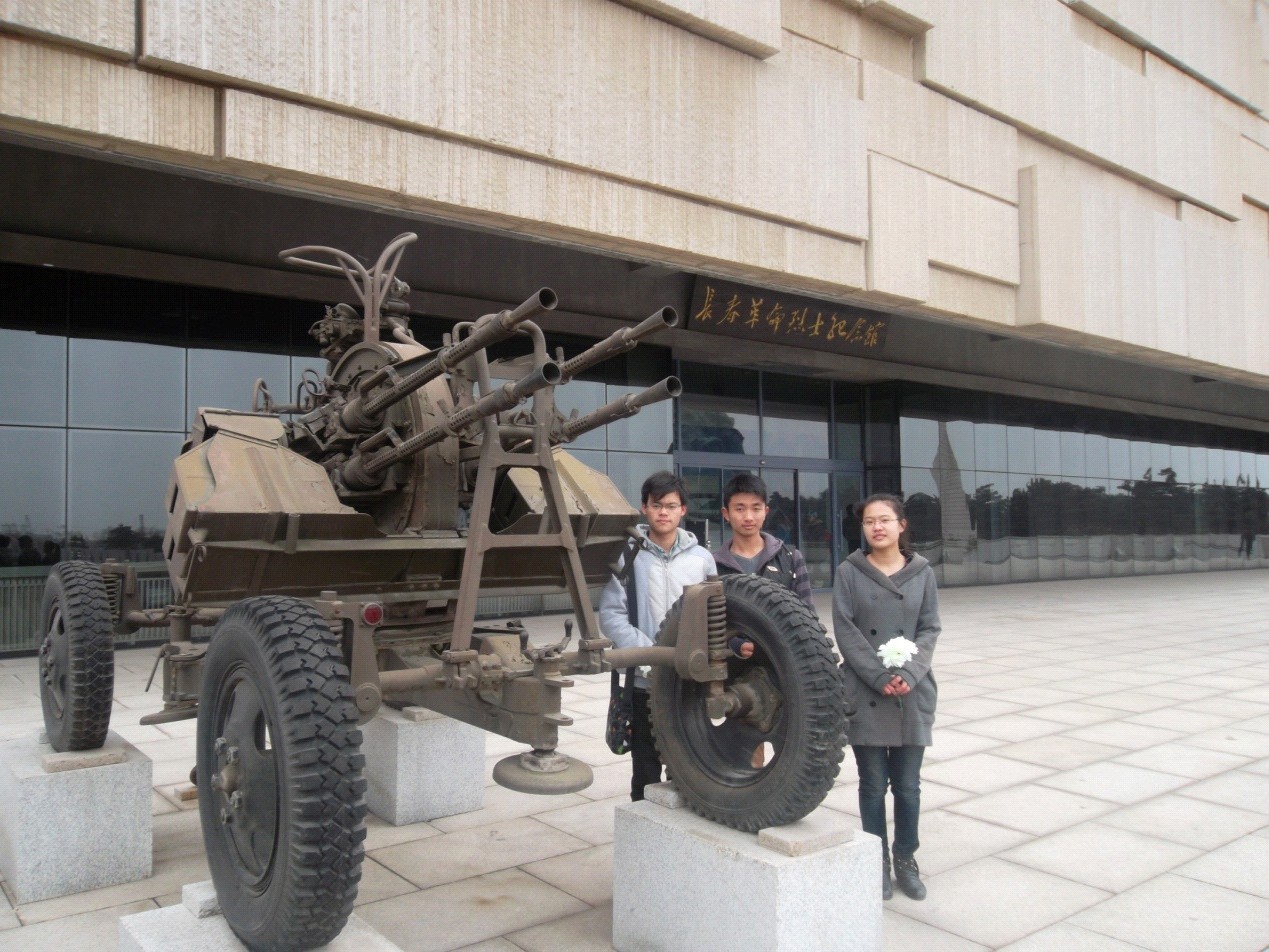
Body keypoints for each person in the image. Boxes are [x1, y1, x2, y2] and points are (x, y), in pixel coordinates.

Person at [833, 493, 940, 902]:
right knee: (873, 784)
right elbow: (845, 629)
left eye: (884, 520)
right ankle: (875, 859)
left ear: (901, 525)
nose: (876, 527)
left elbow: (930, 628)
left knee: (908, 786)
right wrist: (879, 676)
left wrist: (909, 672)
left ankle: (906, 858)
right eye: (868, 521)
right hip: (866, 689)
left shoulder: (922, 572)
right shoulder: (849, 571)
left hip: (912, 690)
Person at [598, 470, 716, 801]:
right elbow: (611, 614)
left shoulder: (702, 559)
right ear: (644, 508)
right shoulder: (626, 556)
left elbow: (713, 616)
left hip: (688, 679)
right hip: (643, 681)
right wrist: (649, 655)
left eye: (671, 506)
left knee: (688, 765)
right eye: (656, 505)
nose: (663, 512)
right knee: (646, 768)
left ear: (683, 510)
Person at [712, 472, 814, 608]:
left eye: (756, 508)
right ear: (726, 514)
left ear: (765, 512)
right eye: (740, 509)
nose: (748, 517)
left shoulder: (791, 558)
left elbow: (808, 614)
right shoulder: (713, 564)